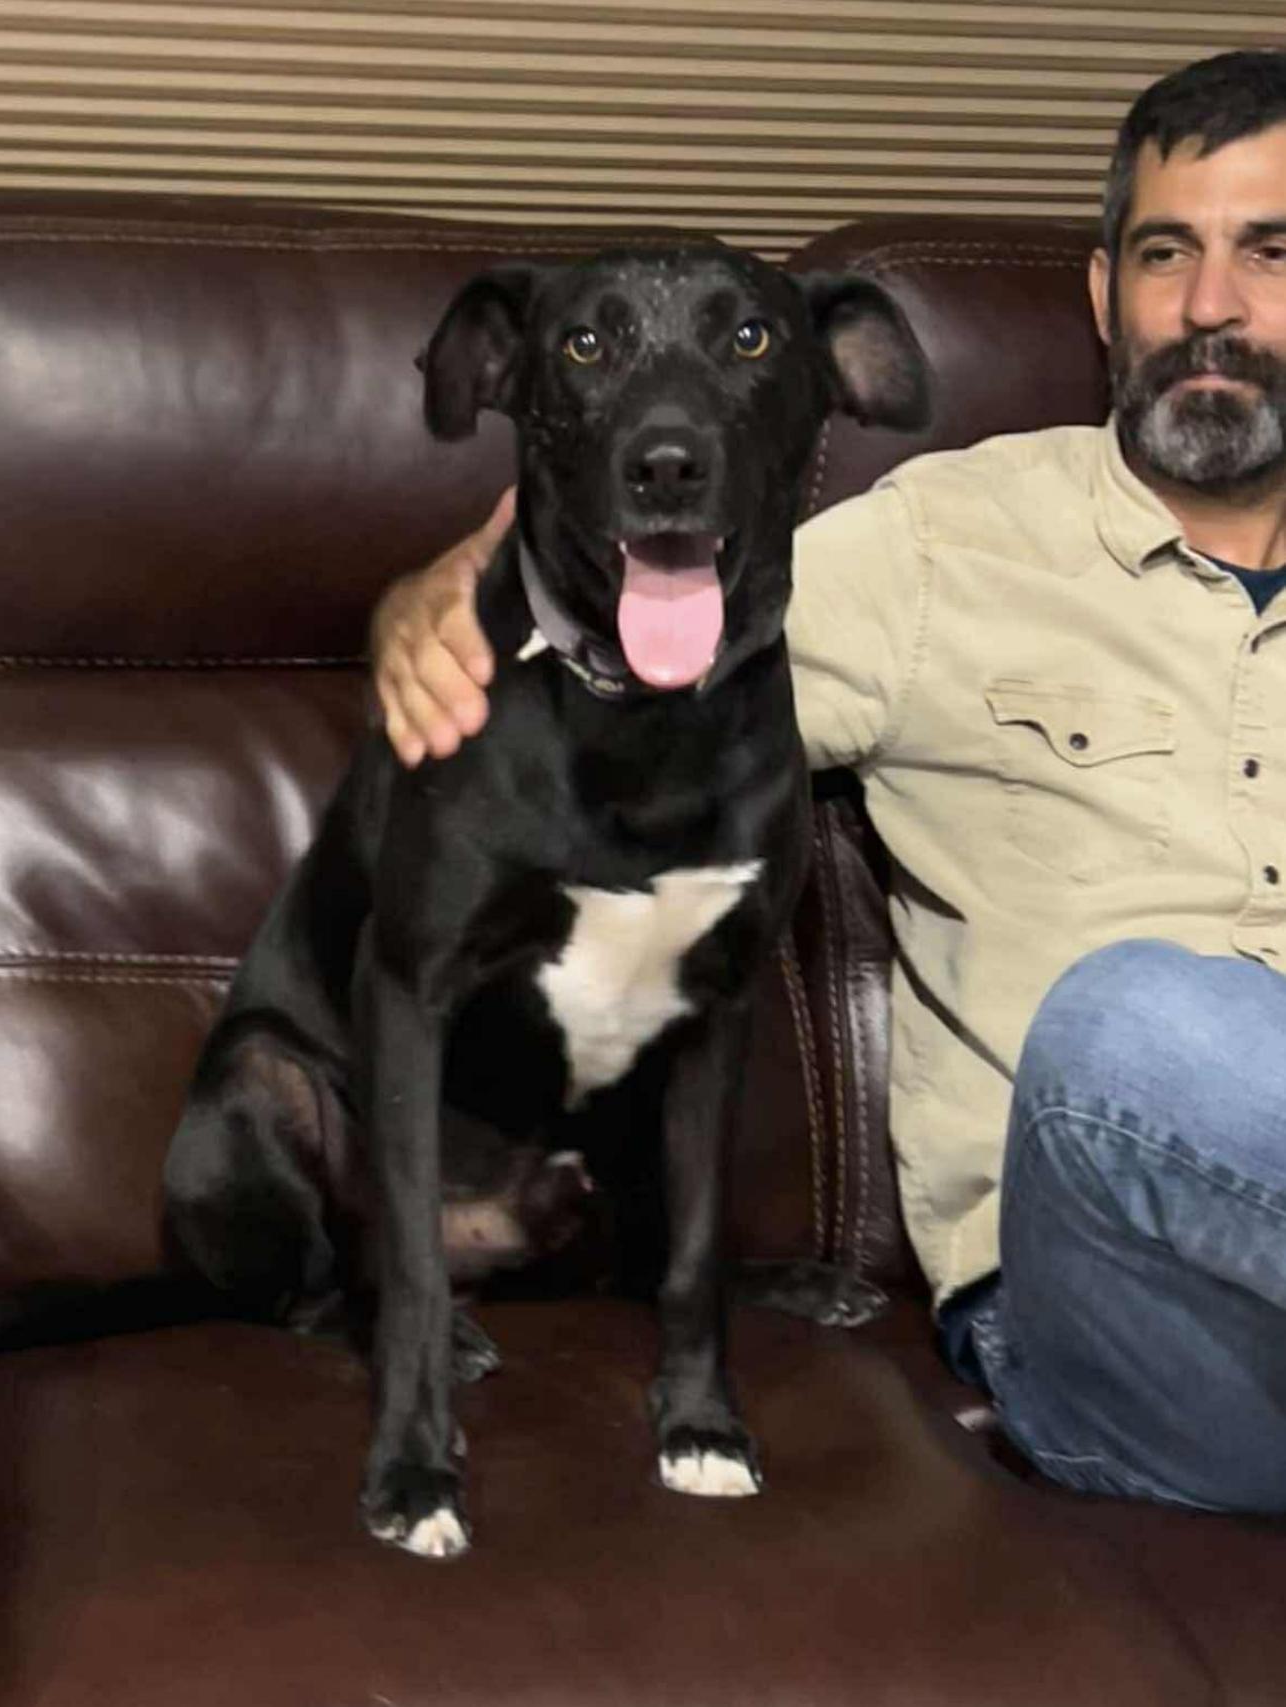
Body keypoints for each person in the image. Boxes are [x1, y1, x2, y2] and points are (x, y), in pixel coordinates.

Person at [369, 50, 1286, 1514]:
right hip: (1113, 1310)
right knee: (1142, 1015)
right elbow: (639, 548)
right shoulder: (938, 546)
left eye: (1270, 252)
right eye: (1165, 254)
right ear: (1104, 295)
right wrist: (436, 588)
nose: (1211, 306)